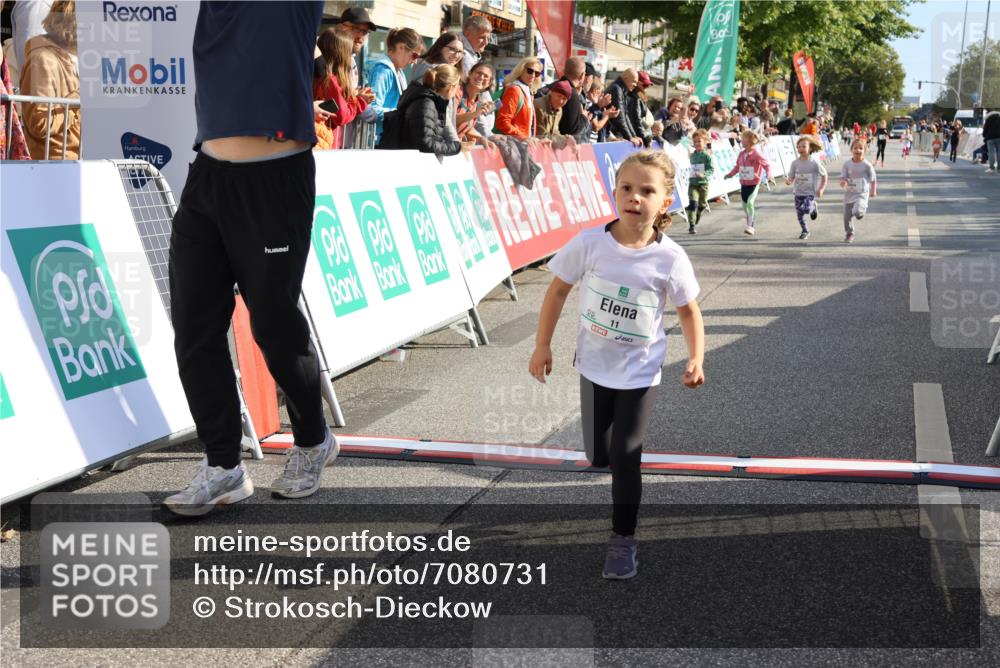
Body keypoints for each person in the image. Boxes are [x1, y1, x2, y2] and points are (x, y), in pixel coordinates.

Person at [165, 1, 333, 516]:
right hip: (207, 178)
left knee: (274, 325)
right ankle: (222, 466)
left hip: (276, 181)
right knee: (194, 328)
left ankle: (312, 439)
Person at [528, 150, 705, 580]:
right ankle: (604, 460)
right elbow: (556, 292)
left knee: (627, 455)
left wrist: (696, 356)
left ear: (665, 201)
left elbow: (688, 310)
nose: (634, 198)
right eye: (627, 188)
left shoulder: (670, 258)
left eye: (647, 191)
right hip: (593, 365)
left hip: (640, 371)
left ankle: (622, 541)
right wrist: (542, 345)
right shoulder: (590, 243)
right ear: (615, 191)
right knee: (598, 454)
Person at [378, 64, 466, 157]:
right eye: (458, 86)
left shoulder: (430, 101)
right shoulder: (427, 104)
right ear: (450, 87)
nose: (458, 90)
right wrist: (456, 147)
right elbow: (425, 143)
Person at [312, 29, 368, 150]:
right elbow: (341, 115)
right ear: (342, 54)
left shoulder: (314, 75)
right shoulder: (330, 80)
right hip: (320, 142)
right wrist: (360, 101)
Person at [366, 27, 422, 142]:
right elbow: (372, 109)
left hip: (389, 135)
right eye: (414, 55)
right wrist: (401, 115)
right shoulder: (383, 70)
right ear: (401, 47)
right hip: (378, 139)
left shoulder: (398, 71)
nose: (415, 61)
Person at [332, 7, 379, 148]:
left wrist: (356, 97)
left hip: (341, 142)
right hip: (325, 143)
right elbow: (334, 105)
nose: (360, 36)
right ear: (341, 27)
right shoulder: (330, 58)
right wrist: (359, 100)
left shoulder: (351, 60)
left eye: (364, 32)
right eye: (356, 29)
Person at [725, 130, 771, 236]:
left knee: (750, 203)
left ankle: (750, 226)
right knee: (745, 205)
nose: (741, 140)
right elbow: (737, 167)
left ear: (750, 140)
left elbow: (766, 165)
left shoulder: (756, 154)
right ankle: (750, 221)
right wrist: (730, 174)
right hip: (744, 183)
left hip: (754, 183)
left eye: (743, 138)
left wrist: (769, 174)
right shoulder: (741, 153)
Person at [785, 135, 828, 240]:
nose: (801, 149)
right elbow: (791, 176)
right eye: (799, 147)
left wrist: (821, 188)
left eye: (804, 146)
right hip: (798, 193)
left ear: (810, 148)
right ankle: (805, 231)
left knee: (806, 208)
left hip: (809, 193)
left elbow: (825, 175)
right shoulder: (795, 163)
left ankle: (813, 206)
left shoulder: (814, 163)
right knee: (800, 215)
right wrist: (789, 181)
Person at [495, 56, 543, 141]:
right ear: (521, 70)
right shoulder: (514, 90)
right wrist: (523, 138)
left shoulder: (528, 91)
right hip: (514, 145)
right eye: (530, 71)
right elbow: (502, 122)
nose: (533, 75)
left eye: (537, 73)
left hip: (523, 145)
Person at [839, 139, 877, 243]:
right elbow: (843, 177)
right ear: (851, 149)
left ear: (864, 150)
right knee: (846, 217)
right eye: (855, 148)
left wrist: (873, 191)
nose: (858, 150)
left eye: (861, 148)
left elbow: (873, 179)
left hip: (861, 194)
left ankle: (861, 210)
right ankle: (849, 234)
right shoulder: (847, 164)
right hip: (849, 193)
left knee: (857, 212)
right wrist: (843, 181)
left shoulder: (867, 165)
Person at [459, 61, 497, 146]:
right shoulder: (457, 91)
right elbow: (450, 120)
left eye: (486, 76)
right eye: (478, 73)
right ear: (469, 73)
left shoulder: (477, 99)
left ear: (489, 83)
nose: (481, 77)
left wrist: (481, 138)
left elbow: (467, 127)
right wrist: (475, 114)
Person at [533, 79, 576, 149]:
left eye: (564, 98)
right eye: (559, 96)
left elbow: (555, 132)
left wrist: (566, 138)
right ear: (551, 93)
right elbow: (540, 135)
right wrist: (565, 140)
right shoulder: (539, 106)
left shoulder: (559, 110)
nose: (561, 101)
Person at [686, 129, 714, 234]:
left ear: (705, 142)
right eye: (695, 141)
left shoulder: (707, 156)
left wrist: (703, 174)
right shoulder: (692, 155)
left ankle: (699, 213)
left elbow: (711, 169)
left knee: (701, 205)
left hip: (703, 184)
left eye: (699, 141)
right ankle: (692, 225)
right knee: (693, 203)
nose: (697, 143)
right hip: (693, 183)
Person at [606, 69, 642, 147]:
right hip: (611, 132)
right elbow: (620, 117)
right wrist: (630, 137)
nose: (635, 85)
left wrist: (633, 135)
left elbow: (625, 115)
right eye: (634, 81)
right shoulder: (617, 89)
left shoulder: (621, 89)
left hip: (614, 132)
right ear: (626, 78)